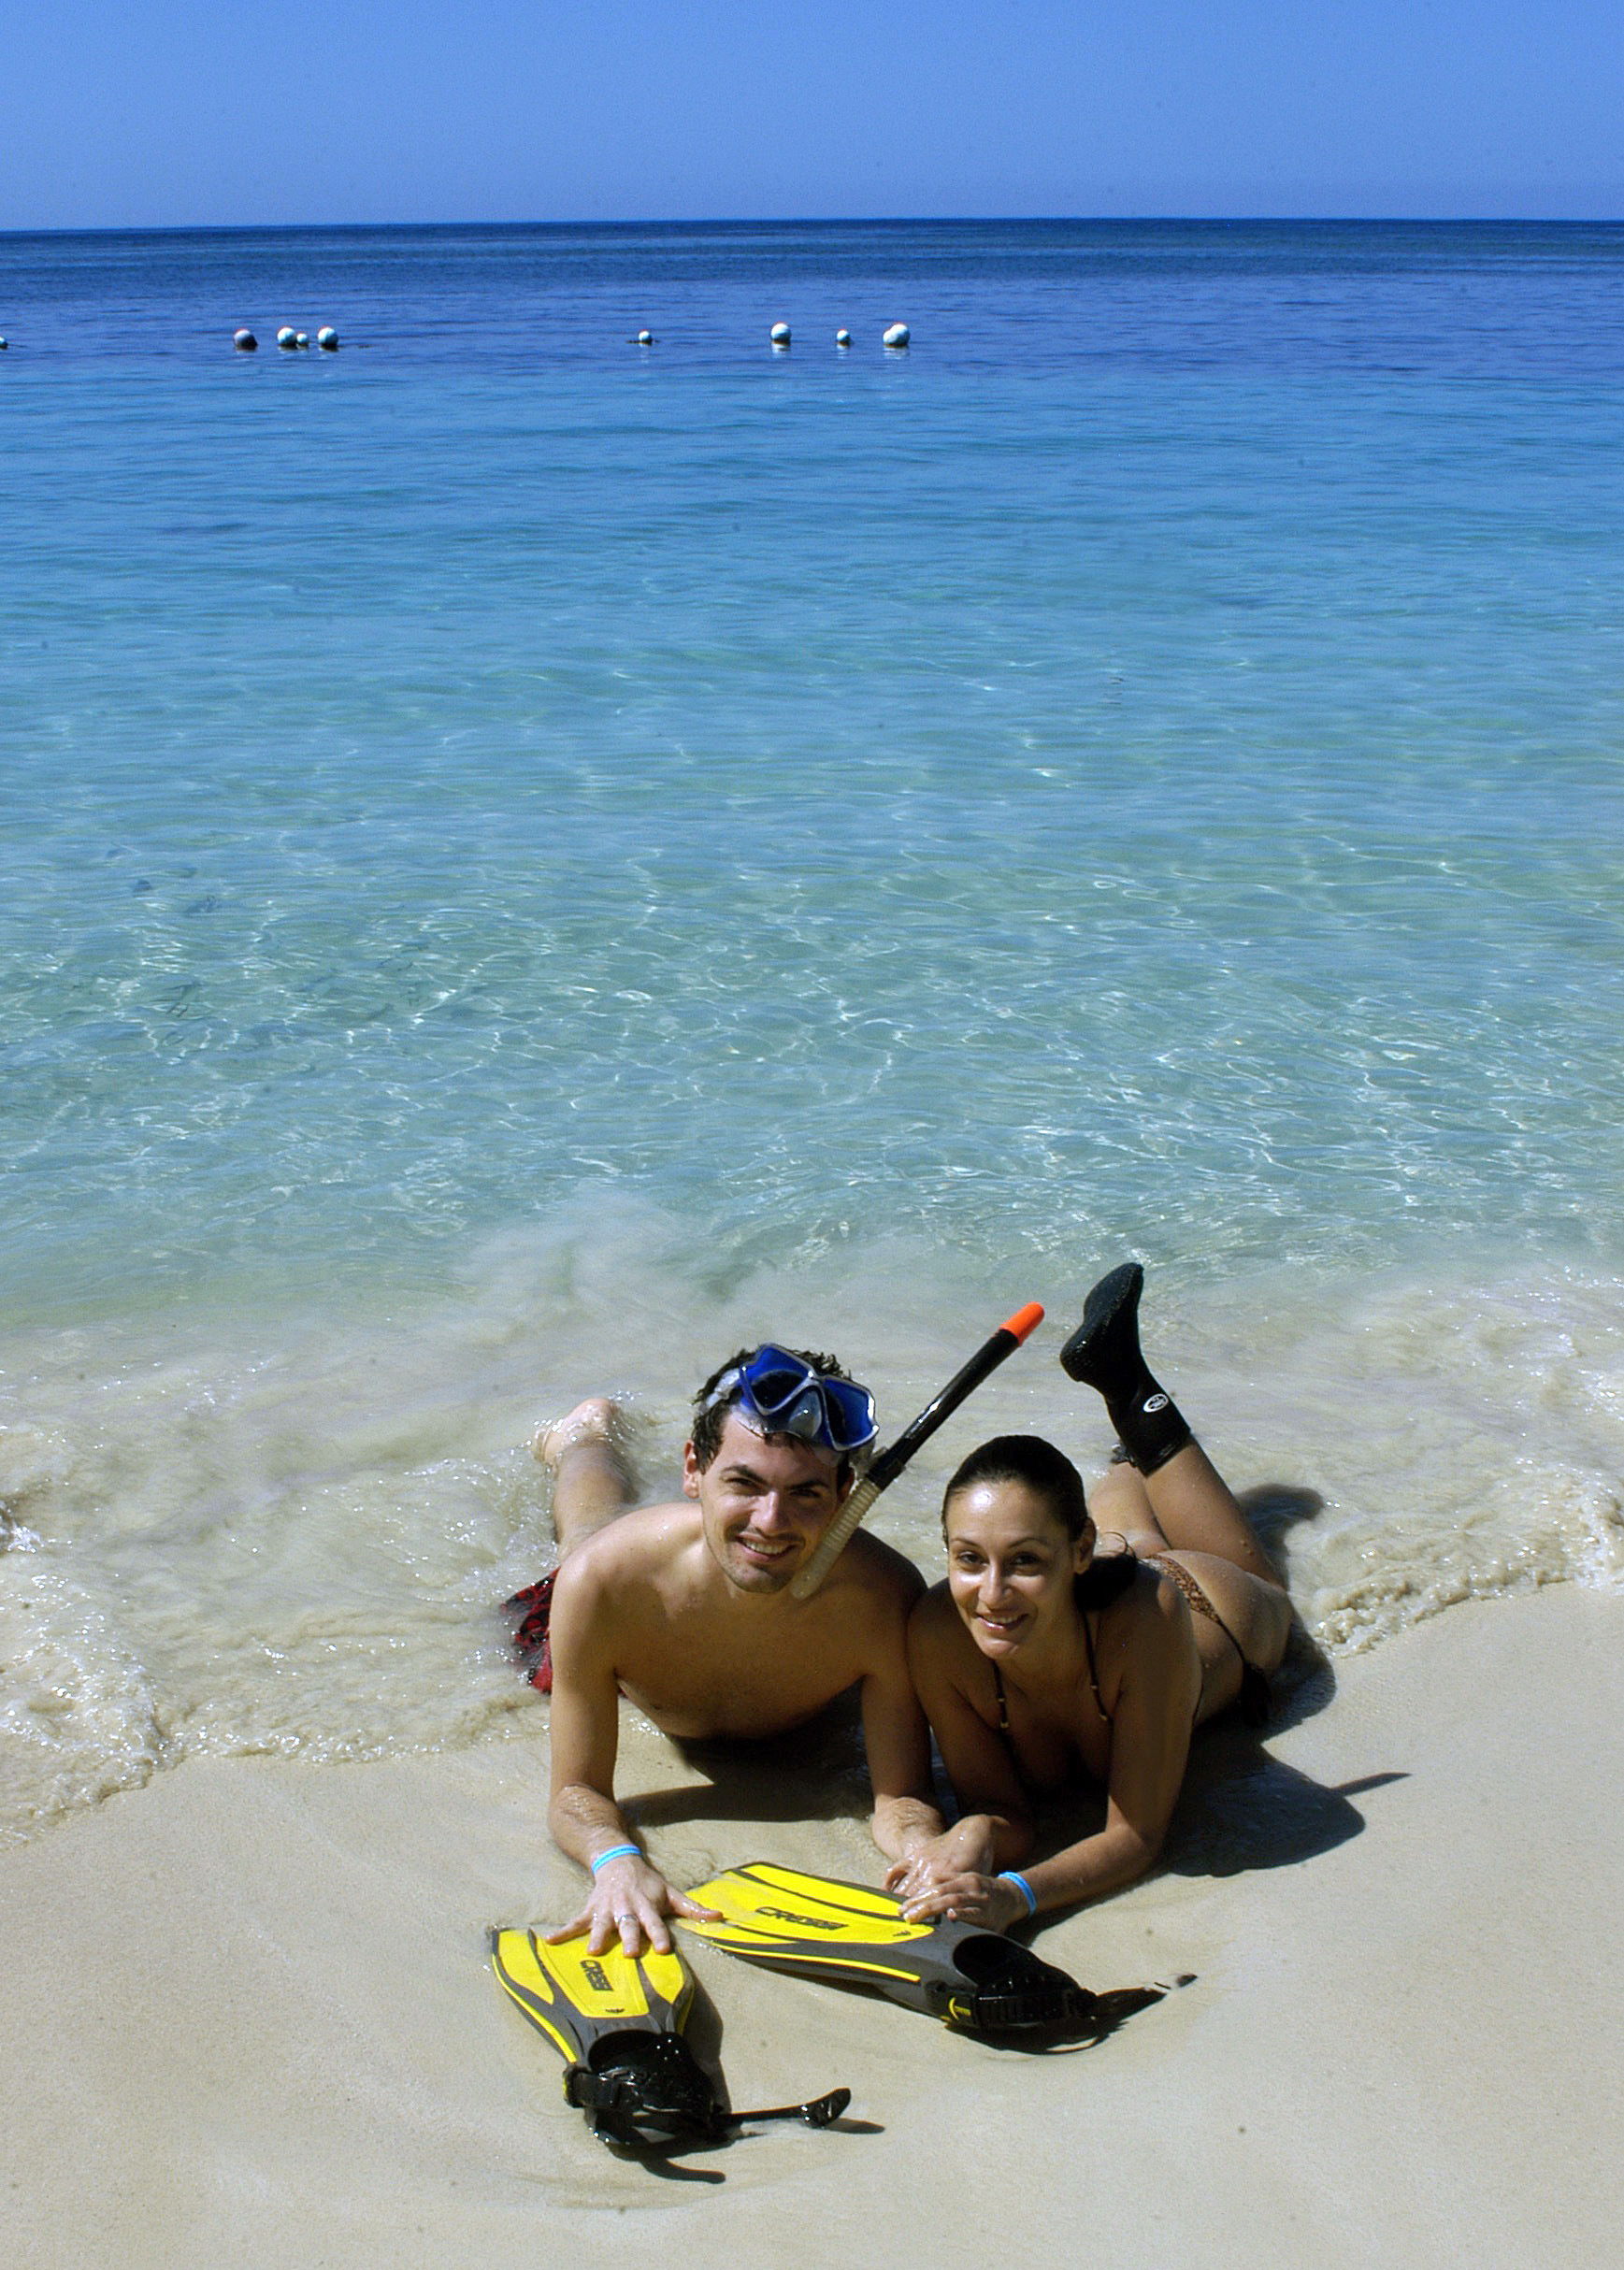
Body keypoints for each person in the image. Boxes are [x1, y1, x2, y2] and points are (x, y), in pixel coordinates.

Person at [886, 1264, 1292, 1928]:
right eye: (968, 1558)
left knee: (1262, 1584)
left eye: (1020, 1559)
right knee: (1128, 1517)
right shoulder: (938, 1632)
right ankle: (1127, 1459)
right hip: (1099, 1576)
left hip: (1207, 1605)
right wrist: (975, 1834)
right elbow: (1005, 1811)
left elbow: (1136, 1837)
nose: (989, 1594)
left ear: (1076, 1551)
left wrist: (1014, 1896)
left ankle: (1127, 1384)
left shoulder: (1151, 1617)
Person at [511, 1346, 945, 1959]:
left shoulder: (883, 1601)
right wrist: (615, 1862)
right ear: (693, 1470)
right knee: (586, 1529)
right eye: (744, 1482)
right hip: (632, 1569)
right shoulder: (607, 1582)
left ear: (847, 1493)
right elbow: (575, 1795)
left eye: (806, 1493)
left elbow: (900, 1798)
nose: (771, 1521)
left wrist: (924, 1850)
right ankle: (582, 1438)